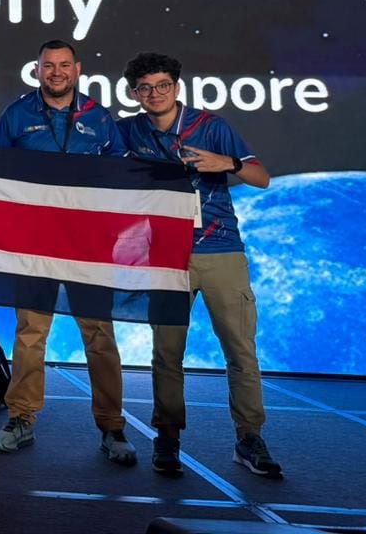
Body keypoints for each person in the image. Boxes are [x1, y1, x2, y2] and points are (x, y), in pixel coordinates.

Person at [119, 52, 281, 478]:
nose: (155, 94)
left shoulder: (211, 127)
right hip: (164, 255)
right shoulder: (126, 132)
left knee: (240, 351)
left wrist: (226, 164)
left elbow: (262, 177)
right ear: (134, 93)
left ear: (177, 87)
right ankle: (168, 437)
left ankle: (249, 438)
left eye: (163, 85)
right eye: (145, 88)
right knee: (166, 353)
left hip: (220, 251)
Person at [0, 39, 138, 466]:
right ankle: (21, 418)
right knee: (31, 332)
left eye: (64, 65)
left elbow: (119, 176)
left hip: (87, 245)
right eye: (48, 65)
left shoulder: (99, 118)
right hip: (34, 244)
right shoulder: (17, 114)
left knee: (99, 334)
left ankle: (112, 425)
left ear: (78, 69)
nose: (56, 72)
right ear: (37, 70)